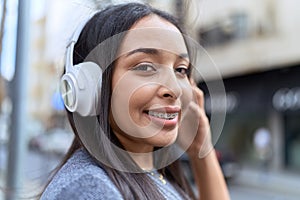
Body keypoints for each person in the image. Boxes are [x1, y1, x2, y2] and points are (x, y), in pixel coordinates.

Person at [40, 2, 230, 200]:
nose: (174, 89)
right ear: (90, 87)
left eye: (180, 69)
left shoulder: (153, 173)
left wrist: (201, 151)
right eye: (145, 67)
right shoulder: (91, 190)